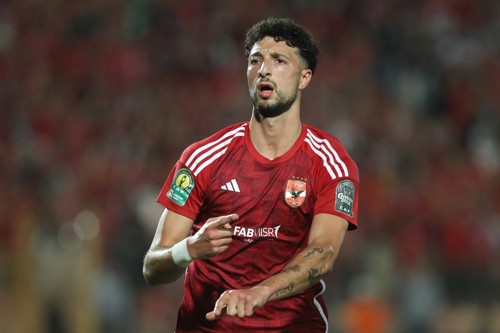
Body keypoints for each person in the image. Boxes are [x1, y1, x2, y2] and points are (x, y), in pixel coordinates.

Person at [143, 17, 360, 332]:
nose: (263, 70)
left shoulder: (330, 162)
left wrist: (262, 291)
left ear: (304, 77)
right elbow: (152, 267)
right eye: (255, 60)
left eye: (279, 60)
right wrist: (188, 249)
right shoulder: (202, 159)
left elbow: (324, 252)